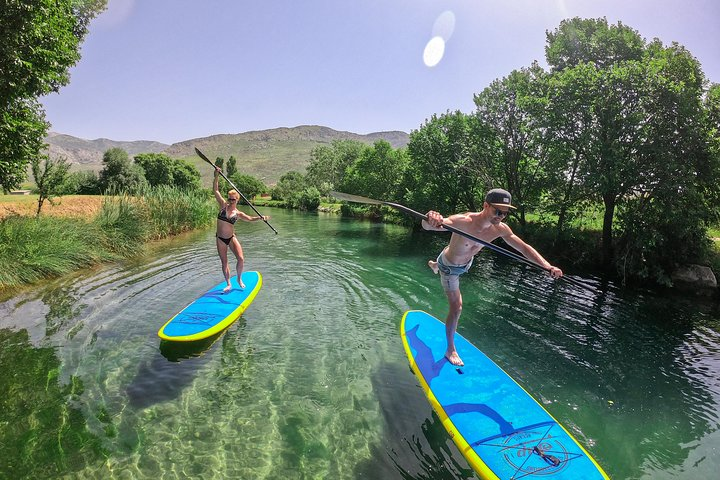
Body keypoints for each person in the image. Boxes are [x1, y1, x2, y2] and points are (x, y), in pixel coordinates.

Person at [422, 188, 563, 366]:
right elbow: (430, 226)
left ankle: (435, 265)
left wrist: (547, 265)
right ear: (485, 205)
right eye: (497, 211)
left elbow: (524, 248)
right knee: (457, 307)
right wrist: (429, 218)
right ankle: (450, 350)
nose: (501, 216)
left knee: (442, 264)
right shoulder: (463, 221)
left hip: (466, 264)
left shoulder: (500, 229)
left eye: (505, 213)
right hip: (450, 268)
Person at [213, 166, 269, 293]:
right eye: (229, 199)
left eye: (233, 199)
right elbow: (216, 190)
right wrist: (216, 175)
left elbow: (249, 218)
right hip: (220, 239)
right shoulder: (222, 205)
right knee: (224, 262)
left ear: (237, 200)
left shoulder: (238, 213)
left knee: (241, 258)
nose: (231, 201)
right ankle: (228, 283)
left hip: (231, 238)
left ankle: (239, 279)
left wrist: (260, 218)